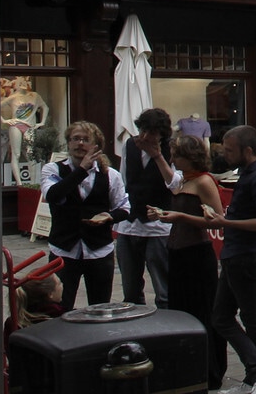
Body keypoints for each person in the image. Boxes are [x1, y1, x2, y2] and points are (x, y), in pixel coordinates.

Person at [208, 124, 256, 394]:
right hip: (236, 253)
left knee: (248, 318)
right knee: (222, 317)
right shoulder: (250, 172)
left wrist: (225, 222)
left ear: (247, 150)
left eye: (230, 150)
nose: (225, 155)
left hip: (247, 255)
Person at [41, 120, 130, 308]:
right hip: (63, 250)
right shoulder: (53, 169)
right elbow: (53, 195)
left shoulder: (110, 175)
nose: (80, 143)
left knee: (100, 307)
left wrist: (110, 217)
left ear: (96, 146)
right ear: (68, 143)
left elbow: (125, 207)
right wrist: (82, 170)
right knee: (60, 306)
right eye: (75, 139)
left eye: (85, 139)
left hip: (99, 250)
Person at [151, 133, 221, 333]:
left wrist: (180, 217)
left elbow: (218, 221)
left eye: (176, 155)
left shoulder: (204, 181)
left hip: (196, 254)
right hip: (178, 253)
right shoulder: (184, 180)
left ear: (190, 156)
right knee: (180, 309)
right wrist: (162, 213)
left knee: (200, 310)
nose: (172, 160)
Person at [116, 107, 177, 307]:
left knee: (163, 287)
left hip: (158, 227)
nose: (144, 137)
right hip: (130, 223)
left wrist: (158, 157)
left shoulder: (172, 149)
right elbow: (124, 180)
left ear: (161, 134)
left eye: (151, 132)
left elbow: (175, 185)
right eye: (142, 130)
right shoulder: (129, 145)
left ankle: (167, 319)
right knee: (130, 287)